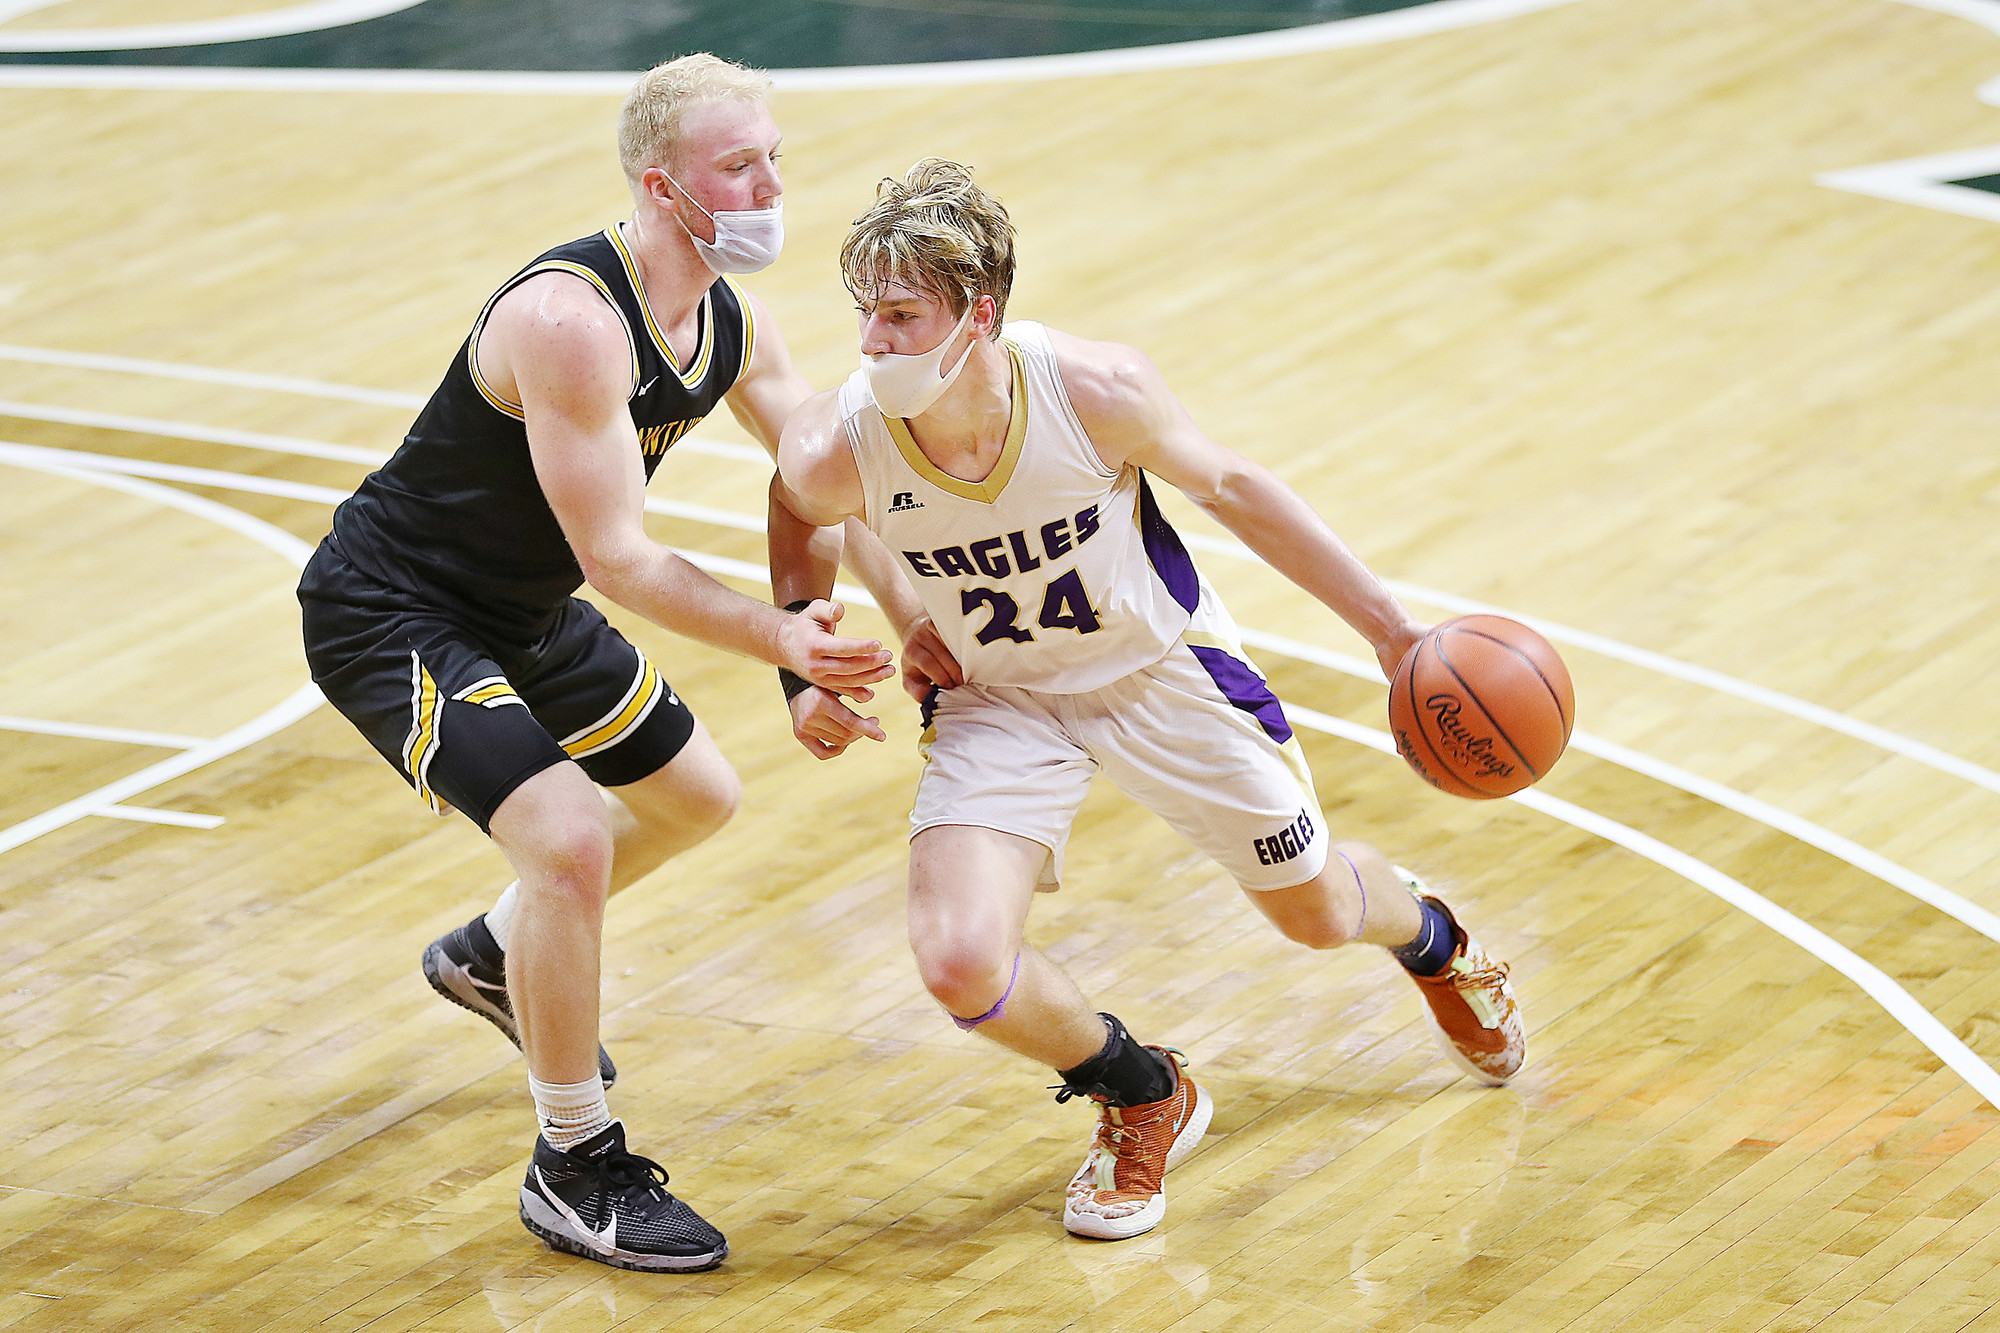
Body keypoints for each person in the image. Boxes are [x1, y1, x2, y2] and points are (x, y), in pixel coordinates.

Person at [768, 159, 1524, 1242]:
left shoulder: (1092, 390)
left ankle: (1433, 938)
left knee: (1314, 918)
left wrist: (1390, 632)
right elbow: (796, 510)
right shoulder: (838, 437)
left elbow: (1236, 491)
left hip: (1160, 674)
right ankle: (1139, 1088)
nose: (872, 343)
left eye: (900, 316)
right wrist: (807, 653)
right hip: (1000, 694)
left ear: (978, 314)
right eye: (864, 317)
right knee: (957, 960)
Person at [297, 55, 941, 1272]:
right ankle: (573, 1163)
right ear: (664, 183)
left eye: (774, 155)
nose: (770, 183)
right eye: (739, 164)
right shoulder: (569, 320)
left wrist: (893, 633)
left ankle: (491, 957)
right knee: (567, 838)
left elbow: (830, 483)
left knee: (697, 794)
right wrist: (775, 635)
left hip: (519, 608)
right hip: (396, 607)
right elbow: (620, 557)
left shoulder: (733, 318)